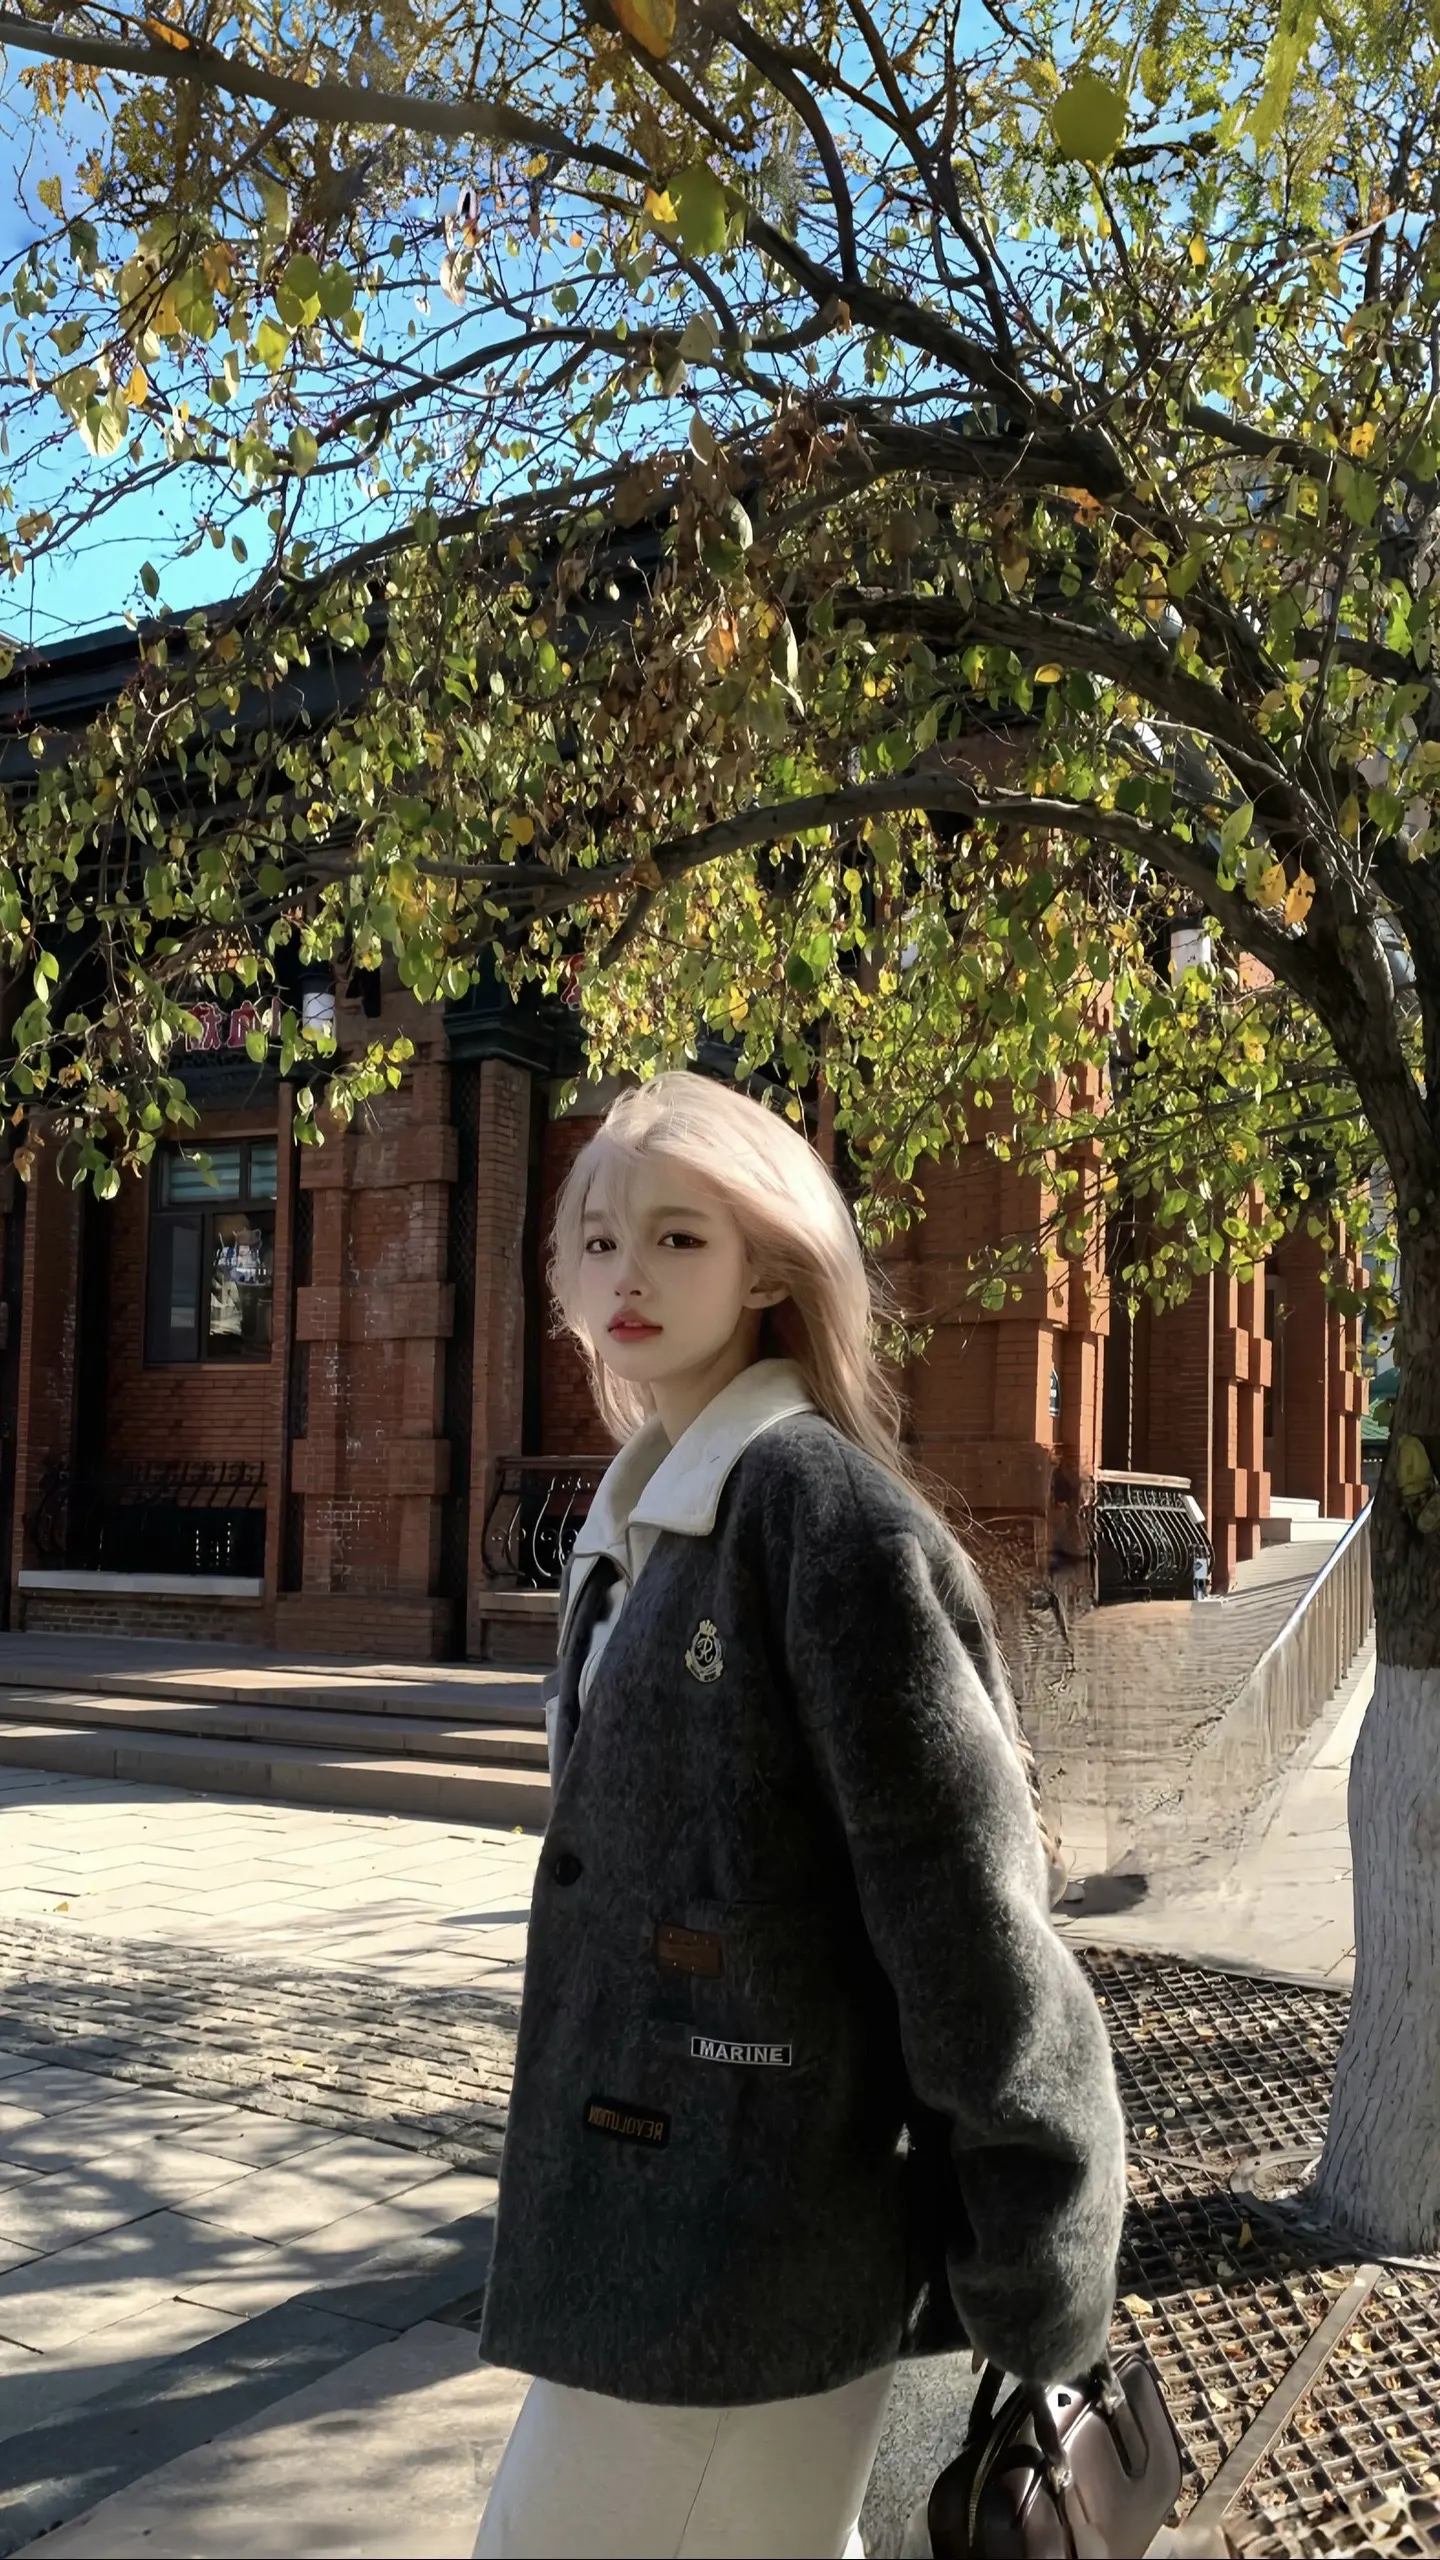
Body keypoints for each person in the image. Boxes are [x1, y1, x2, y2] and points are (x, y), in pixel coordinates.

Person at [475, 1073, 1125, 2560]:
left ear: (770, 1265)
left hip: (757, 2250)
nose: (625, 1276)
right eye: (596, 1240)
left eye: (678, 1238)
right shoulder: (637, 1519)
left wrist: (1038, 2255)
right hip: (657, 2232)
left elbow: (965, 1917)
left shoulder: (824, 1524)